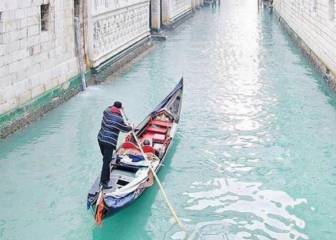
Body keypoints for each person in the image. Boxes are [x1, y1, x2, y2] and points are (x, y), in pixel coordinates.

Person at [97, 101, 132, 189]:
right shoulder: (119, 119)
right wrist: (131, 127)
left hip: (100, 139)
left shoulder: (106, 111)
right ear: (120, 109)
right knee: (106, 161)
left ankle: (106, 177)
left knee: (106, 160)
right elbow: (125, 129)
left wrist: (120, 109)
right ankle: (103, 182)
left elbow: (109, 107)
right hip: (109, 142)